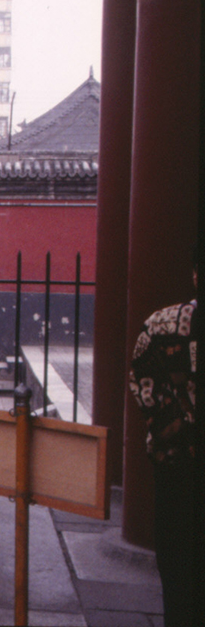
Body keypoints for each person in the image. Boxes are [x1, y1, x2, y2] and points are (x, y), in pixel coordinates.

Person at [128, 246, 200, 627]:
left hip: (177, 465)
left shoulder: (160, 326)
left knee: (178, 567)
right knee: (178, 564)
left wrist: (177, 428)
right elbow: (143, 381)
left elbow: (143, 384)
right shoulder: (160, 327)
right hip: (179, 465)